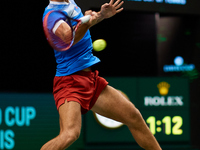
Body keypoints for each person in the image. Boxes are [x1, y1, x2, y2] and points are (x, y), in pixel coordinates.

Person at [41, 0, 162, 150]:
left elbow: (84, 23)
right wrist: (86, 22)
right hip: (69, 82)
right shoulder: (52, 15)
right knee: (70, 134)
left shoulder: (70, 2)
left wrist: (101, 15)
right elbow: (68, 38)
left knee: (133, 117)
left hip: (90, 79)